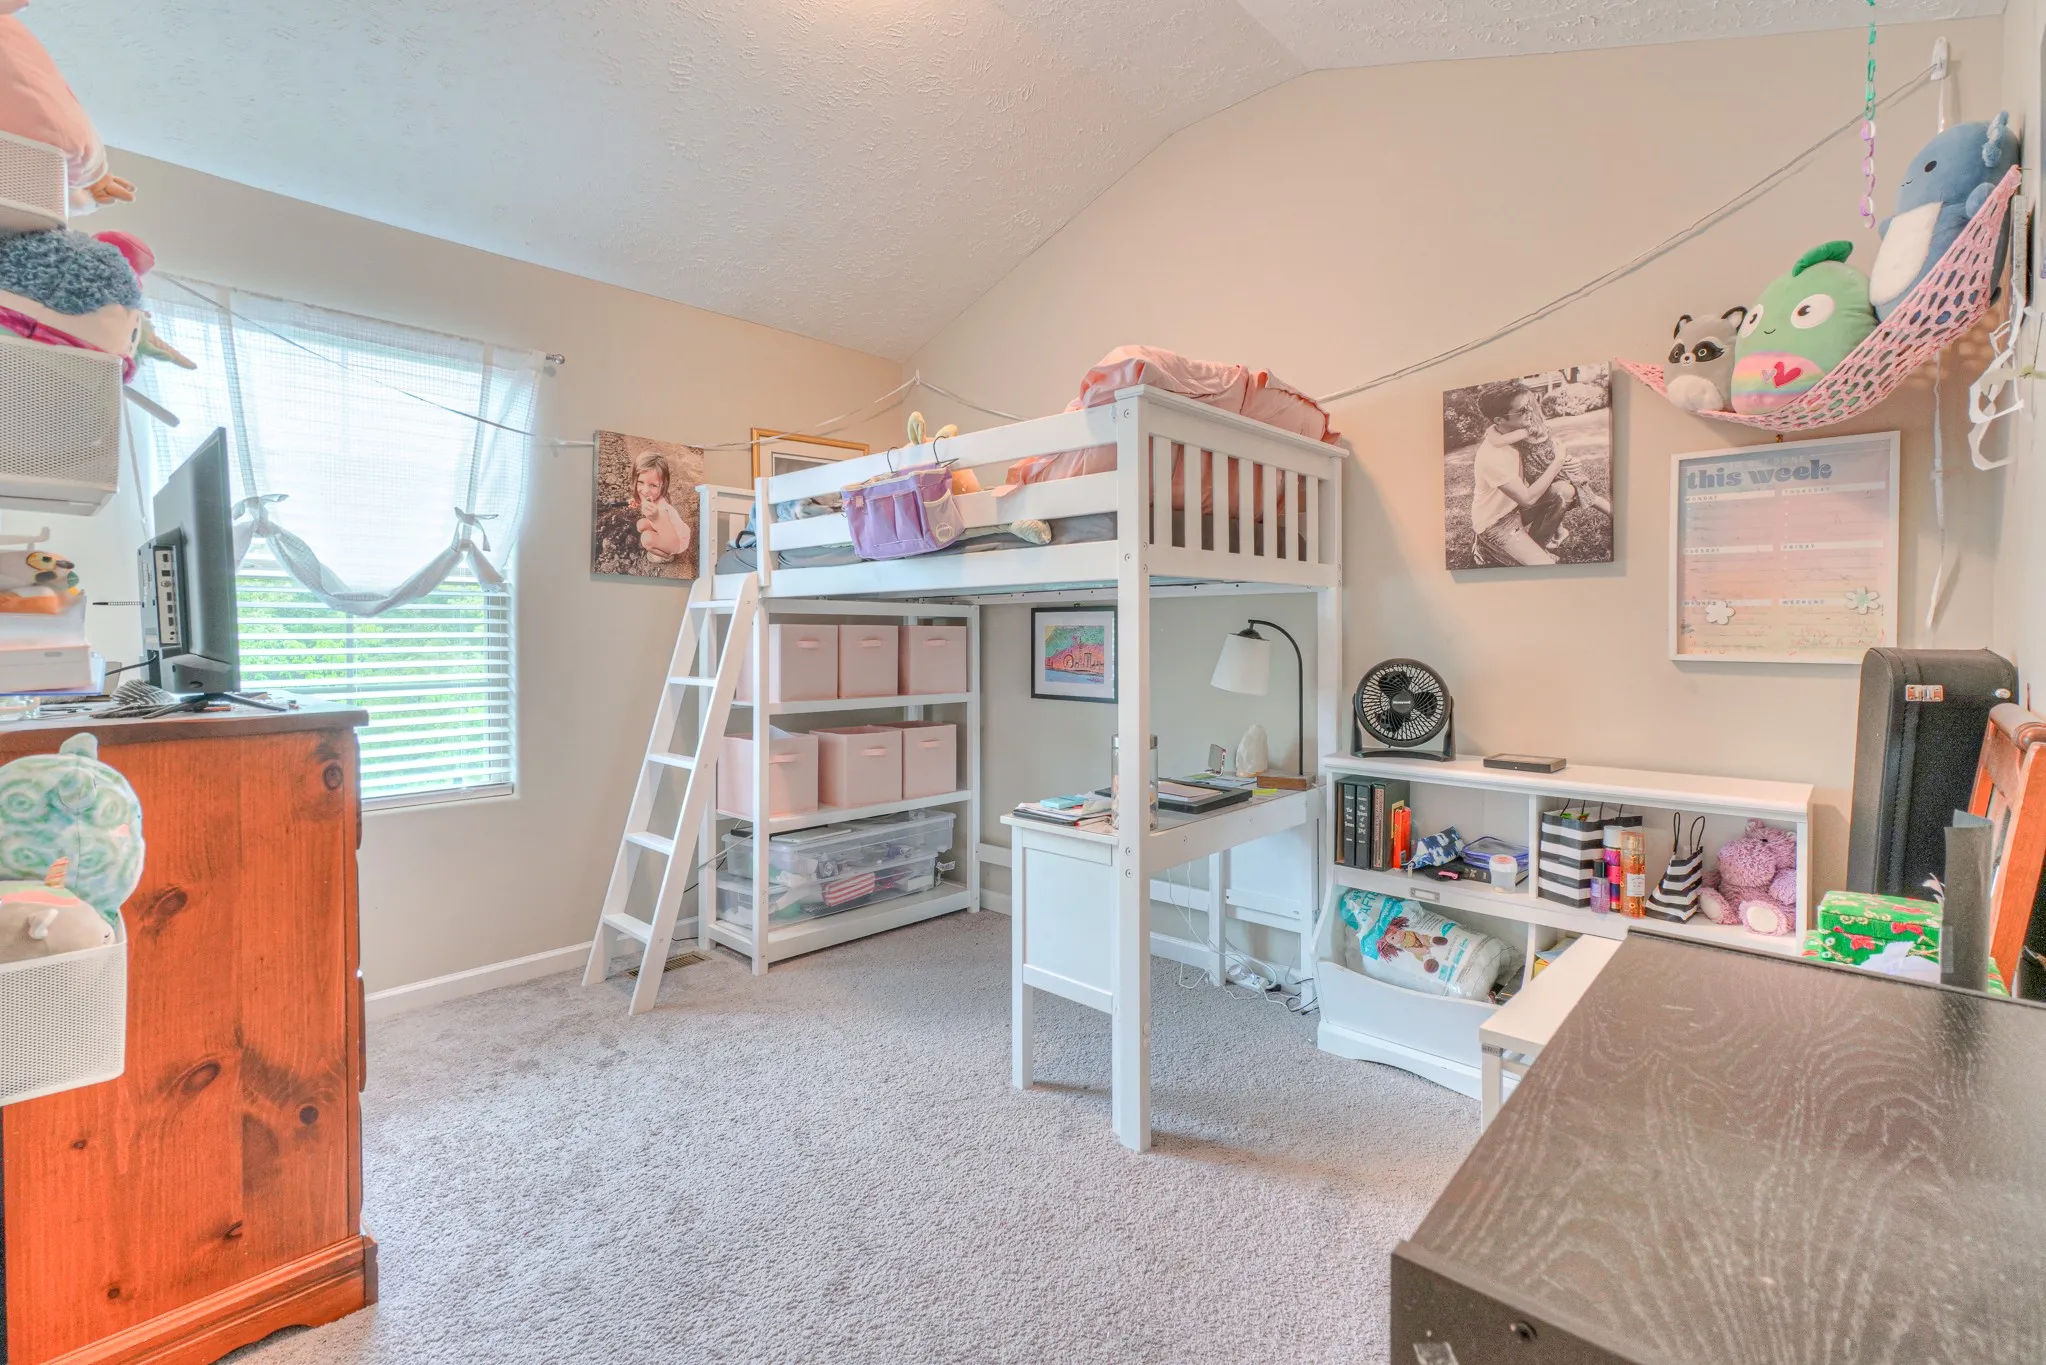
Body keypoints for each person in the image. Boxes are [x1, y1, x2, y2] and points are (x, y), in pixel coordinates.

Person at [1468, 387, 1574, 566]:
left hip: (1515, 508)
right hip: (1496, 523)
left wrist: (1567, 462)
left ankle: (1537, 547)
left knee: (1564, 491)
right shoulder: (1491, 455)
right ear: (1500, 420)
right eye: (1523, 409)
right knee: (1546, 567)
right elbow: (1528, 499)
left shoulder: (1515, 434)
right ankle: (1485, 548)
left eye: (1529, 404)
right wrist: (1558, 462)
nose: (1530, 410)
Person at [632, 452, 691, 563]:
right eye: (640, 482)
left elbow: (674, 542)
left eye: (653, 485)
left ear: (663, 485)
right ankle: (660, 542)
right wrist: (637, 502)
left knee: (646, 540)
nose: (645, 491)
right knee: (641, 525)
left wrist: (656, 519)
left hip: (677, 542)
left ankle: (666, 556)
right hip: (673, 530)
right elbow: (645, 499)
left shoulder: (662, 510)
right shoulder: (655, 497)